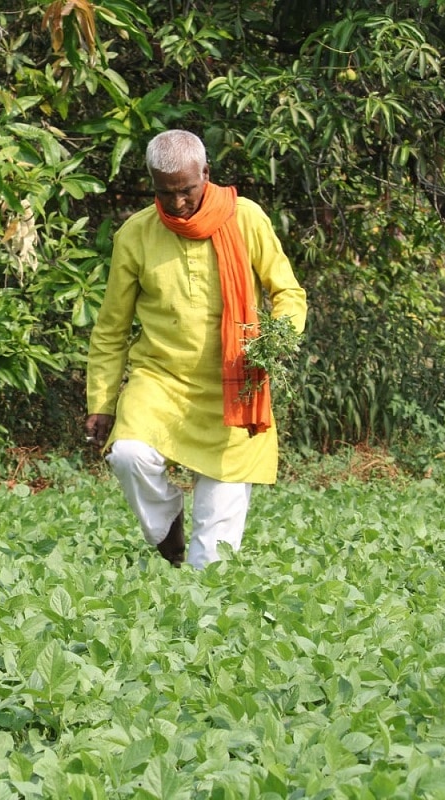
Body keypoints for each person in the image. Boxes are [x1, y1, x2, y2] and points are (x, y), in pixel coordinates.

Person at [84, 130, 307, 569]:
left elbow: (288, 293)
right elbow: (111, 328)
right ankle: (168, 530)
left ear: (206, 173)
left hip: (235, 386)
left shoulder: (247, 219)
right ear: (152, 185)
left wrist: (278, 337)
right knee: (128, 455)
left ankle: (200, 615)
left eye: (187, 190)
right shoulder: (135, 234)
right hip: (160, 381)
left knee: (213, 562)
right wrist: (102, 400)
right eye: (166, 193)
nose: (179, 203)